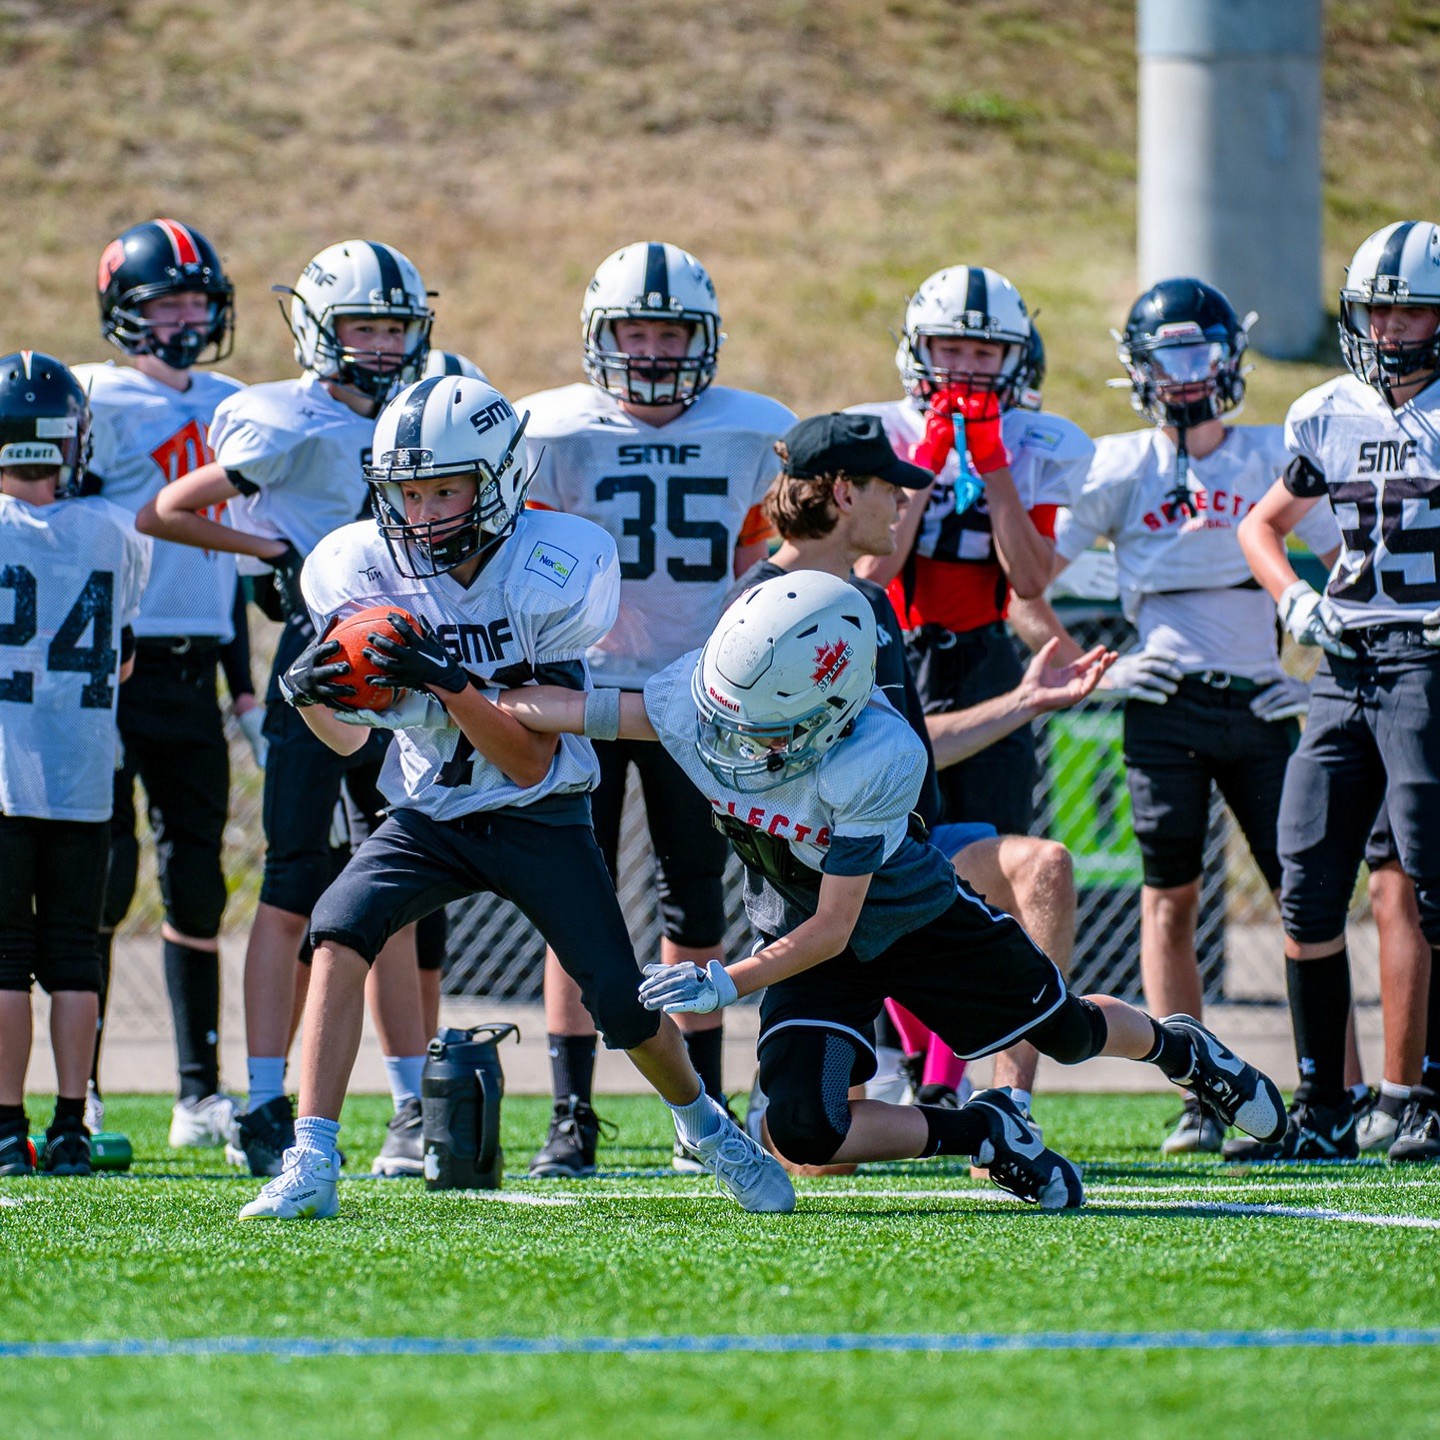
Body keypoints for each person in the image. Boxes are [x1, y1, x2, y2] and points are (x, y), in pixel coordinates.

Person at [493, 570, 1289, 1207]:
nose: (731, 740)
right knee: (802, 1130)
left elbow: (841, 925)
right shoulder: (701, 702)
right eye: (725, 715)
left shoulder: (877, 751)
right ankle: (981, 1132)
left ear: (828, 713)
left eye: (761, 729)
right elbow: (578, 708)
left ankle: (1185, 1050)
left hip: (912, 924)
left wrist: (723, 980)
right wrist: (454, 697)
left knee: (1069, 1034)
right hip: (806, 936)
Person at [235, 374, 793, 1219]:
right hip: (428, 812)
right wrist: (310, 696)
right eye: (407, 493)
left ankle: (709, 1131)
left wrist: (452, 685)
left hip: (538, 815)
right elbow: (350, 742)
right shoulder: (360, 564)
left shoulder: (555, 564)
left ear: (498, 477)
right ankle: (311, 1157)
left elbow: (530, 763)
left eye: (443, 490)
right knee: (338, 929)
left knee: (615, 993)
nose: (421, 513)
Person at [136, 240, 434, 1177]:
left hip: (407, 682)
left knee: (394, 894)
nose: (382, 346)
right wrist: (270, 557)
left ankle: (414, 1104)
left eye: (394, 327)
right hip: (321, 682)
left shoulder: (427, 409)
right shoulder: (286, 420)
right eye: (363, 328)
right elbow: (168, 509)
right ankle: (266, 1098)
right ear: (317, 331)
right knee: (291, 887)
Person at [1035, 279, 1344, 1155]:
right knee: (1169, 900)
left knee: (1305, 900)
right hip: (1162, 706)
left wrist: (1319, 679)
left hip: (1261, 702)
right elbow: (1025, 585)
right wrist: (1098, 667)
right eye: (1167, 358)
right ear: (1138, 370)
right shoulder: (1119, 465)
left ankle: (1342, 1090)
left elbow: (1353, 566)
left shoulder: (1268, 455)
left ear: (1230, 359)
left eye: (1198, 354)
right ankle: (1201, 1094)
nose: (1184, 377)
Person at [519, 241, 793, 1177]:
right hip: (579, 692)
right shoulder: (550, 427)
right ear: (600, 335)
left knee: (695, 901)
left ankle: (700, 1108)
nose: (649, 349)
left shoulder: (755, 431)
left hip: (697, 694)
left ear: (702, 337)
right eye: (633, 330)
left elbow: (771, 549)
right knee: (573, 903)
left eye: (668, 331)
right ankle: (571, 1110)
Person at [728, 413, 1080, 1127]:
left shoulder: (869, 604)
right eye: (891, 488)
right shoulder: (756, 610)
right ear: (842, 493)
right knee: (806, 1136)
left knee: (1047, 882)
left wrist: (1023, 702)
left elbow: (908, 751)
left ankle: (1018, 1098)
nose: (904, 506)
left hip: (909, 869)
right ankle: (968, 1119)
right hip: (820, 891)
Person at [1236, 220, 1440, 1162]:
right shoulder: (1326, 409)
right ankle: (1325, 1103)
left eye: (1413, 311)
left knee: (1431, 887)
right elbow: (1262, 526)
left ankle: (1425, 1094)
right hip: (1346, 666)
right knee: (1308, 887)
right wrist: (1294, 596)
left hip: (1430, 668)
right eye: (1379, 311)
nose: (1393, 330)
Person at [72, 218, 246, 1148]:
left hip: (192, 664)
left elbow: (238, 569)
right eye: (165, 303)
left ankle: (196, 1093)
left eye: (196, 302)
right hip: (104, 660)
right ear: (123, 314)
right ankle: (82, 1087)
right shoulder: (94, 399)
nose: (185, 320)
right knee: (100, 876)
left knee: (197, 880)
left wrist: (243, 678)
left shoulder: (232, 401)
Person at [848, 264, 1093, 836]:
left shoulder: (1038, 441)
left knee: (998, 844)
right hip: (893, 654)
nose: (964, 367)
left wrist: (995, 467)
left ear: (1015, 359)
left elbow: (1028, 581)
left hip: (989, 661)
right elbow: (870, 577)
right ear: (918, 350)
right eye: (949, 348)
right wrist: (925, 465)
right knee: (897, 844)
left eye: (985, 353)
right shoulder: (878, 430)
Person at [0, 352, 151, 1176]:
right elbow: (122, 658)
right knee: (71, 954)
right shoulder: (114, 532)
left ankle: (1, 1127)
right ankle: (68, 1126)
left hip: (3, 772)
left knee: (2, 959)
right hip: (84, 777)